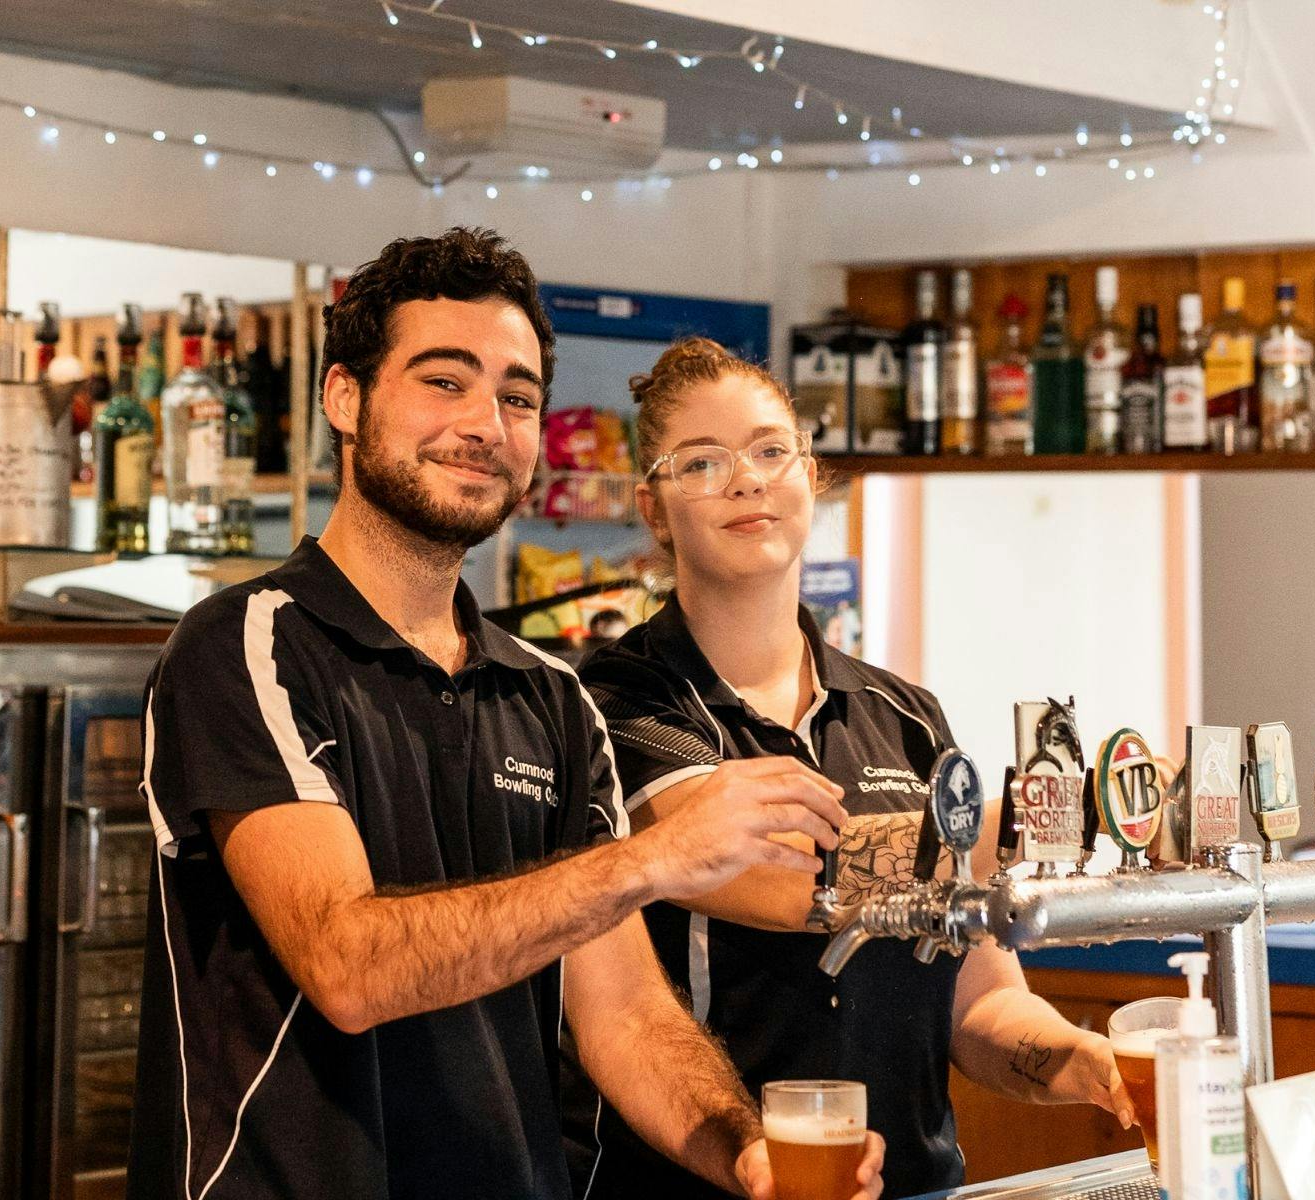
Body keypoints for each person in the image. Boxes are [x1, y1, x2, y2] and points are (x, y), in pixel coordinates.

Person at [125, 229, 885, 1200]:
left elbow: (623, 1016)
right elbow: (348, 964)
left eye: (517, 397)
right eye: (444, 381)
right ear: (344, 398)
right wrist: (651, 859)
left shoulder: (551, 698)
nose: (486, 423)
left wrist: (742, 1149)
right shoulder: (247, 645)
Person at [572, 338, 1134, 1199]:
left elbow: (976, 997)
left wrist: (1067, 1055)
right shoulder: (616, 702)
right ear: (653, 508)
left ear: (809, 474)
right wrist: (1054, 817)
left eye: (770, 451)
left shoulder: (906, 716)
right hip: (716, 1183)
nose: (748, 480)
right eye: (703, 462)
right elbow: (766, 872)